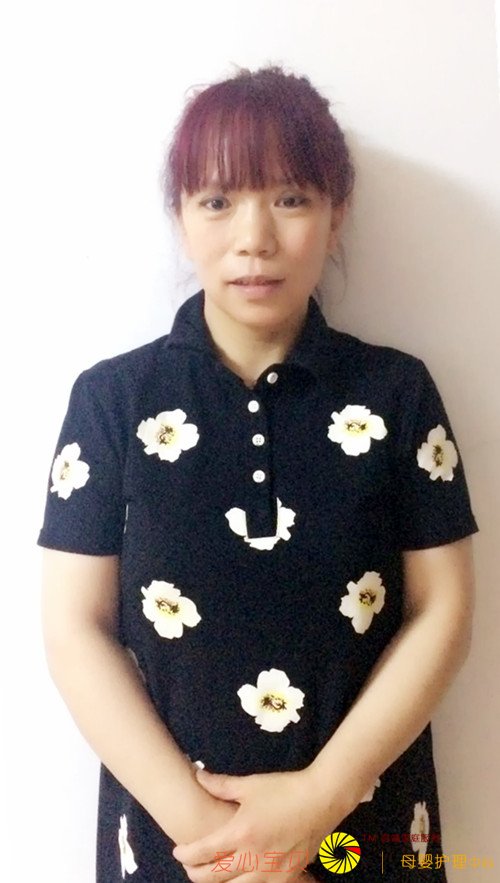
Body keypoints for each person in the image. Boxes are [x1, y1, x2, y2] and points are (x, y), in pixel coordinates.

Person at [39, 64, 478, 882]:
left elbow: (444, 610)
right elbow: (73, 629)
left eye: (290, 198)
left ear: (337, 212)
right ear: (180, 215)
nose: (254, 238)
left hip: (361, 834)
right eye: (217, 201)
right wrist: (220, 840)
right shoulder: (112, 401)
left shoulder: (398, 393)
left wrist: (318, 801)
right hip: (178, 845)